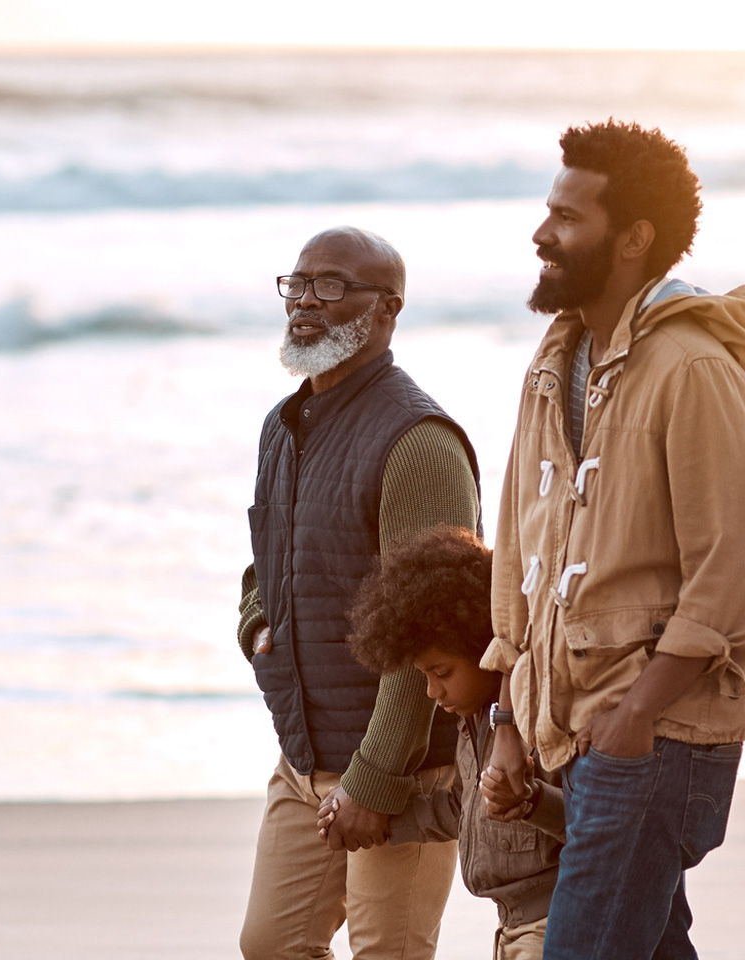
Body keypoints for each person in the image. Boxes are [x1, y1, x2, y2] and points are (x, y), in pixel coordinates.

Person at [479, 120, 745, 959]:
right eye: (548, 212)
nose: (543, 234)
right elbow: (518, 550)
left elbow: (732, 569)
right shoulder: (554, 363)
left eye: (568, 218)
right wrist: (507, 716)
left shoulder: (692, 368)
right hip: (573, 733)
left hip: (653, 737)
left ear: (634, 238)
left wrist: (639, 712)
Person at [237, 226, 482, 960]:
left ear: (388, 308)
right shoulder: (282, 427)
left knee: (390, 954)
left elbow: (429, 633)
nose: (307, 301)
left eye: (335, 286)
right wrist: (255, 627)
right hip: (302, 755)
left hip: (399, 767)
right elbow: (267, 562)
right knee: (272, 944)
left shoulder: (419, 441)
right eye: (299, 283)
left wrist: (375, 780)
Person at [330, 525, 565, 960]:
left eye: (442, 673)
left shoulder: (538, 719)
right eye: (424, 676)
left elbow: (593, 823)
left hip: (554, 923)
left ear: (483, 647)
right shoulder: (473, 723)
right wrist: (385, 823)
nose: (432, 693)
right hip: (509, 927)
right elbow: (462, 807)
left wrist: (531, 799)